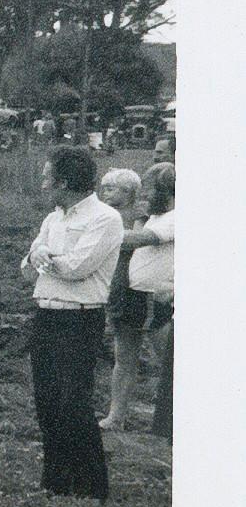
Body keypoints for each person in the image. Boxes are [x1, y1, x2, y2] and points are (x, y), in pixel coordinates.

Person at [20, 146, 123, 500]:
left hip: (79, 320)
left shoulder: (105, 219)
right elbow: (28, 260)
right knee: (47, 399)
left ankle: (92, 486)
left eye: (48, 176)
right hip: (46, 314)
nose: (44, 183)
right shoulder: (53, 218)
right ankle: (56, 482)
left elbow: (79, 267)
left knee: (73, 402)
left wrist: (45, 258)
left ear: (64, 181)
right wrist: (43, 256)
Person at [115, 163, 174, 438]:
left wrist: (102, 232)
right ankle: (116, 416)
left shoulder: (176, 217)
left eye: (151, 191)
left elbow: (137, 240)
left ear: (167, 191)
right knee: (124, 357)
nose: (145, 197)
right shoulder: (154, 215)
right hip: (135, 293)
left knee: (169, 360)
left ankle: (171, 421)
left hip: (155, 297)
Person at [95, 167, 144, 430]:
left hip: (133, 284)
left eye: (110, 189)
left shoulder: (137, 214)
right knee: (122, 352)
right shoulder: (105, 214)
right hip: (116, 286)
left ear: (128, 192)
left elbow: (131, 242)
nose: (105, 194)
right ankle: (117, 416)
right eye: (104, 188)